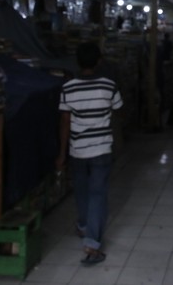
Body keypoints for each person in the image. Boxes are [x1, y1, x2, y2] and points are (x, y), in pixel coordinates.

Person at [57, 42, 123, 266]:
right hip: (102, 148)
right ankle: (92, 244)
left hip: (78, 150)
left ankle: (85, 227)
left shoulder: (68, 88)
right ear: (98, 61)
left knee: (82, 191)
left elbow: (65, 122)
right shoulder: (109, 86)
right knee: (97, 194)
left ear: (77, 62)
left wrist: (62, 153)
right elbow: (116, 113)